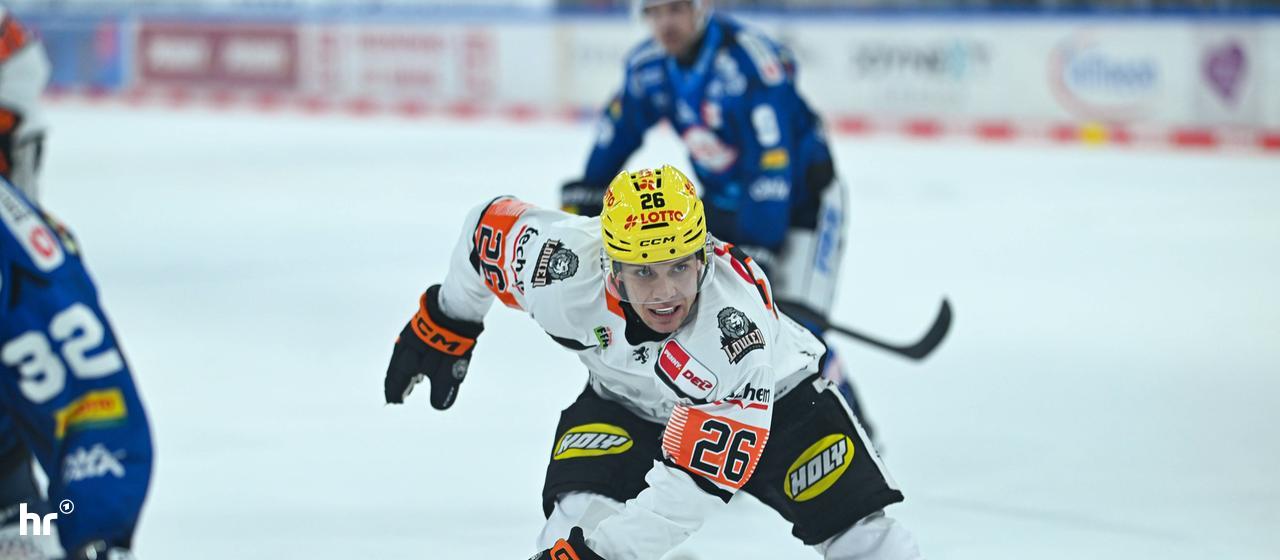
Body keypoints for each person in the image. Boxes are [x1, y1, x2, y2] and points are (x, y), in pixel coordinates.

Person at [385, 165, 918, 559]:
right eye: (643, 272)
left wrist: (608, 557)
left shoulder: (737, 337)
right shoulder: (558, 266)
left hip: (778, 405)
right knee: (573, 526)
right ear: (610, 266)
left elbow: (689, 492)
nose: (665, 294)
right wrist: (450, 319)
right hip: (626, 404)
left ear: (704, 257)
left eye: (678, 268)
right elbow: (485, 231)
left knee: (865, 541)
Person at [559, 0, 872, 434]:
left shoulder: (748, 61)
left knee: (796, 328)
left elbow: (773, 162)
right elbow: (620, 128)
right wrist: (593, 186)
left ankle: (849, 424)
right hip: (724, 202)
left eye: (676, 9)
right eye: (655, 12)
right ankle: (733, 424)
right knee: (705, 313)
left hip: (804, 206)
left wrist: (761, 244)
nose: (666, 23)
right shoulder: (649, 67)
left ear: (701, 8)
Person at [0, 10, 152, 559]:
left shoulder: (21, 247)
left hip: (11, 499)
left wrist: (71, 524)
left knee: (31, 524)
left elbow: (95, 408)